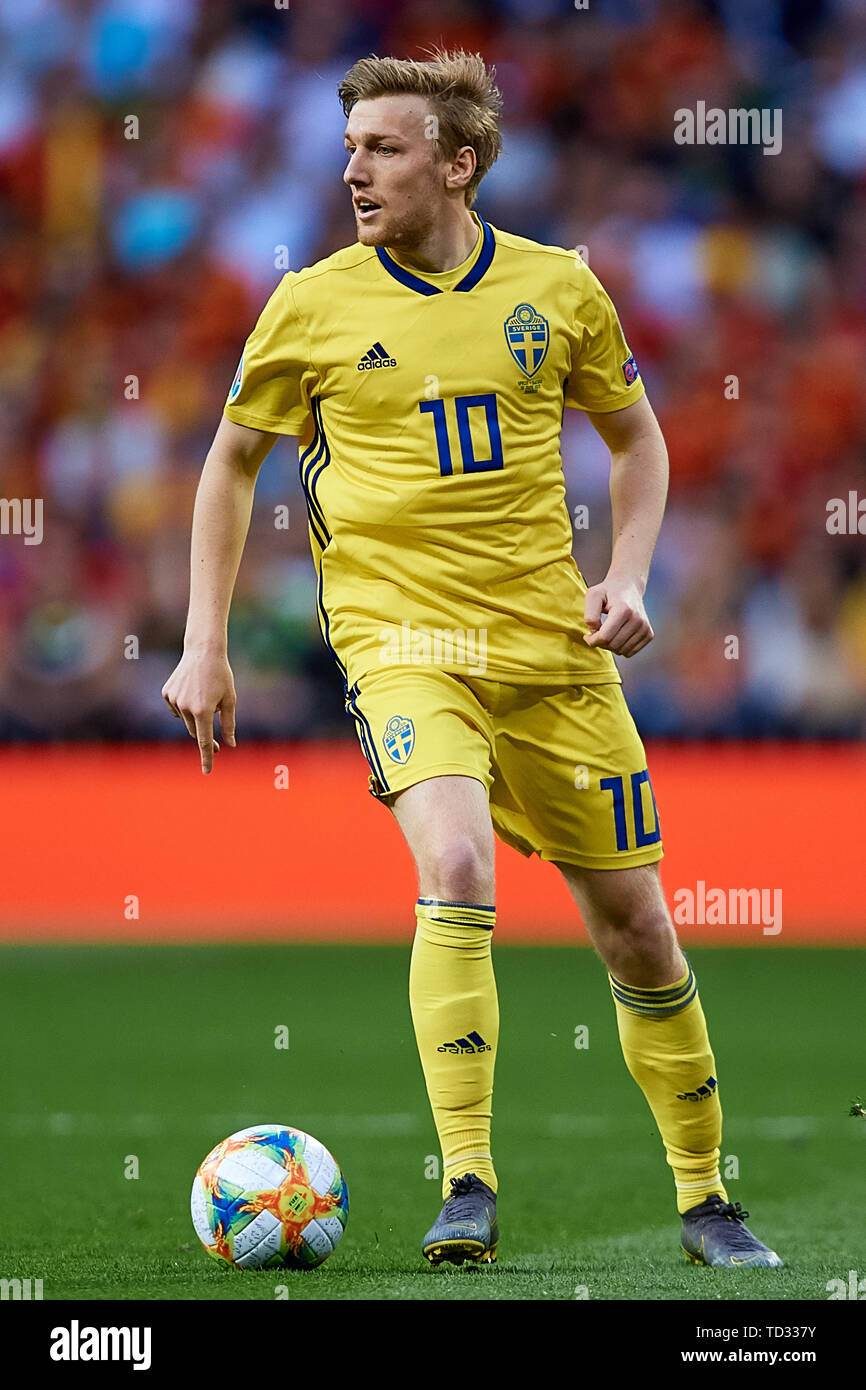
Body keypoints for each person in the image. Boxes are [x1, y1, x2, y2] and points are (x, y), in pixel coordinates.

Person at [162, 49, 781, 1271]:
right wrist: (203, 641)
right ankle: (466, 1182)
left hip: (551, 652)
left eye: (383, 148)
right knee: (452, 859)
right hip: (400, 647)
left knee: (638, 933)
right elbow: (230, 462)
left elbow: (638, 442)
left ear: (458, 161)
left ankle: (706, 1198)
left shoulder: (560, 291)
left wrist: (629, 576)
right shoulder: (310, 304)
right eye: (348, 150)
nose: (353, 170)